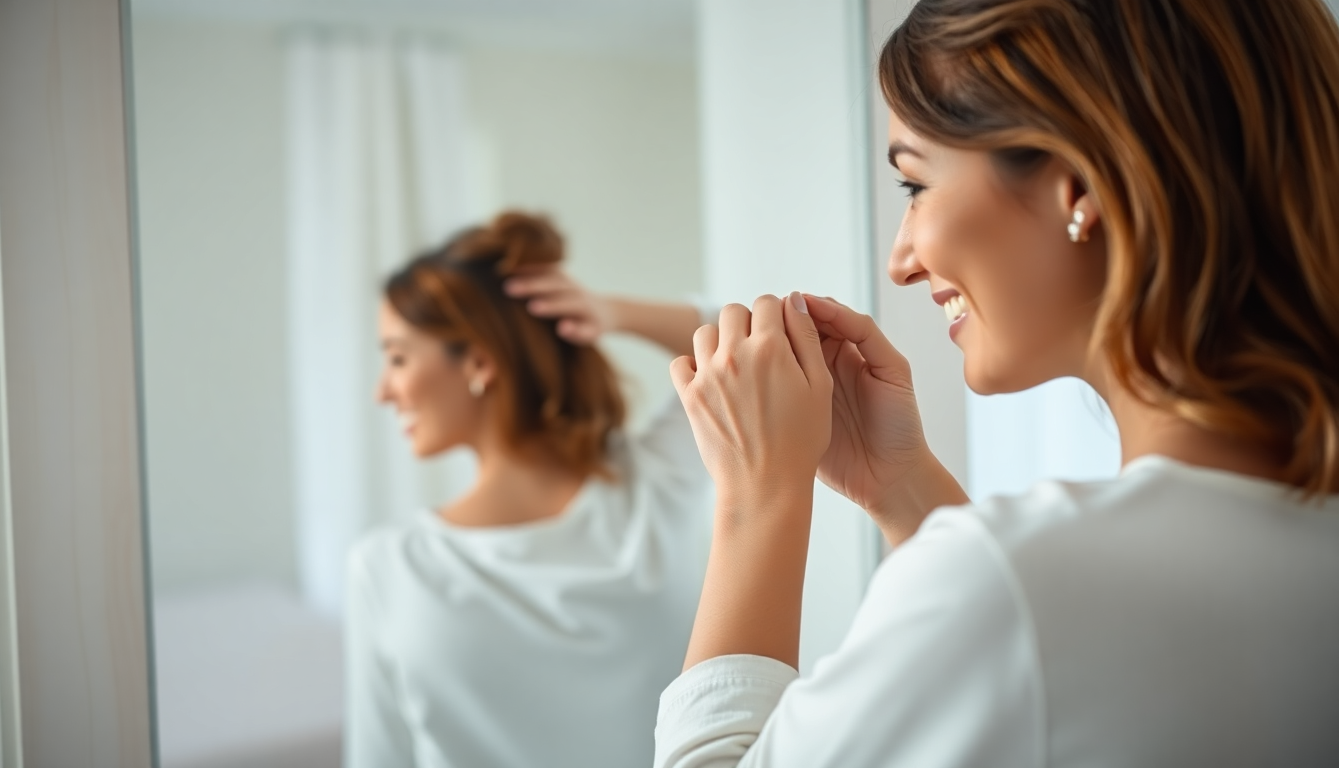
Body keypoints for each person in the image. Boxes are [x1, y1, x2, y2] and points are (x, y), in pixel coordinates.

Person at [654, 1, 1339, 766]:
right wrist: (903, 489)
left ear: (1077, 182)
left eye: (915, 186)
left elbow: (1033, 628)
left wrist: (759, 496)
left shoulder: (1007, 588)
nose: (901, 261)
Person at [345, 210, 714, 768]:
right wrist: (614, 315)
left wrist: (605, 311)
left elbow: (763, 338)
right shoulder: (386, 568)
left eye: (397, 357)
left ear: (477, 360)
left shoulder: (392, 568)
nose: (382, 392)